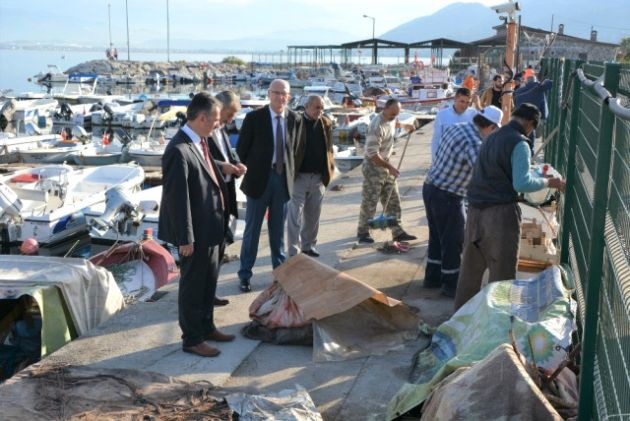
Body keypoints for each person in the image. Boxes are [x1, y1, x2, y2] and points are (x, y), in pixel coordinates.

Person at [453, 103, 566, 311]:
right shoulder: (520, 143)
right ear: (531, 124)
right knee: (502, 277)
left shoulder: (491, 137)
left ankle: (457, 323)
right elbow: (521, 183)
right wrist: (549, 182)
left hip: (475, 212)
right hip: (499, 216)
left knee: (469, 275)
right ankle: (500, 325)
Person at [158, 92, 235, 358]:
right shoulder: (177, 150)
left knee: (209, 282)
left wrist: (223, 166)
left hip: (212, 226)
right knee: (193, 286)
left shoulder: (199, 143)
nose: (218, 124)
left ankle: (206, 326)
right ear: (201, 118)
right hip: (195, 233)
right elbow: (177, 200)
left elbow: (202, 165)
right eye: (215, 120)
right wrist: (185, 238)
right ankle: (192, 338)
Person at [423, 106, 503, 297]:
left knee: (437, 237)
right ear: (490, 127)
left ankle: (432, 278)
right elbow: (482, 173)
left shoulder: (457, 127)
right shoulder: (474, 143)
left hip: (430, 187)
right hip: (448, 195)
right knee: (454, 241)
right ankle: (451, 285)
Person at [236, 79, 300, 292]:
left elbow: (295, 151)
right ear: (269, 94)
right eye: (276, 93)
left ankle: (279, 276)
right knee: (252, 230)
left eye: (284, 94)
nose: (280, 97)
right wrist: (254, 168)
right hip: (259, 181)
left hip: (282, 181)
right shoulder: (254, 118)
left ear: (289, 96)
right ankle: (245, 275)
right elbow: (242, 149)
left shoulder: (294, 119)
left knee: (277, 233)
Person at [356, 98, 417, 244]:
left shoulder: (390, 118)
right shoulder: (376, 126)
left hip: (385, 163)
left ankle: (398, 232)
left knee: (393, 199)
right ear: (385, 108)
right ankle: (363, 232)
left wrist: (405, 125)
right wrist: (390, 168)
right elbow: (372, 154)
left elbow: (393, 123)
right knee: (370, 201)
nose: (394, 116)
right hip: (373, 166)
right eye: (392, 113)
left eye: (397, 114)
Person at [209, 90, 248, 306]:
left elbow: (227, 154)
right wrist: (224, 166)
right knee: (211, 249)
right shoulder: (203, 130)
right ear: (219, 107)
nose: (231, 119)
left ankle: (210, 292)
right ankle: (204, 294)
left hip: (227, 194)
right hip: (212, 198)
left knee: (221, 247)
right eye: (230, 114)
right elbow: (202, 159)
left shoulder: (222, 129)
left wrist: (236, 162)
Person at [287, 94, 335, 258]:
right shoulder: (297, 122)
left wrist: (330, 169)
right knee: (294, 216)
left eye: (322, 108)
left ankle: (309, 246)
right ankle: (294, 250)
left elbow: (329, 149)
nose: (320, 111)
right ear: (306, 107)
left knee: (313, 215)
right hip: (299, 177)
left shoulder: (326, 123)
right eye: (317, 107)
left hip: (318, 178)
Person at [430, 88, 477, 161]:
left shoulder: (473, 114)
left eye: (468, 102)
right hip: (446, 158)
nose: (464, 105)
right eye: (462, 101)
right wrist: (434, 159)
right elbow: (436, 139)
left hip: (466, 160)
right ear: (455, 99)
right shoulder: (442, 115)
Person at [514, 75, 553, 152]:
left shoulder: (518, 91)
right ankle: (530, 153)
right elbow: (543, 106)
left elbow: (515, 104)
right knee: (531, 135)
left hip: (519, 118)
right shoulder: (540, 91)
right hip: (532, 118)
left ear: (526, 82)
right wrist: (544, 117)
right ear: (536, 81)